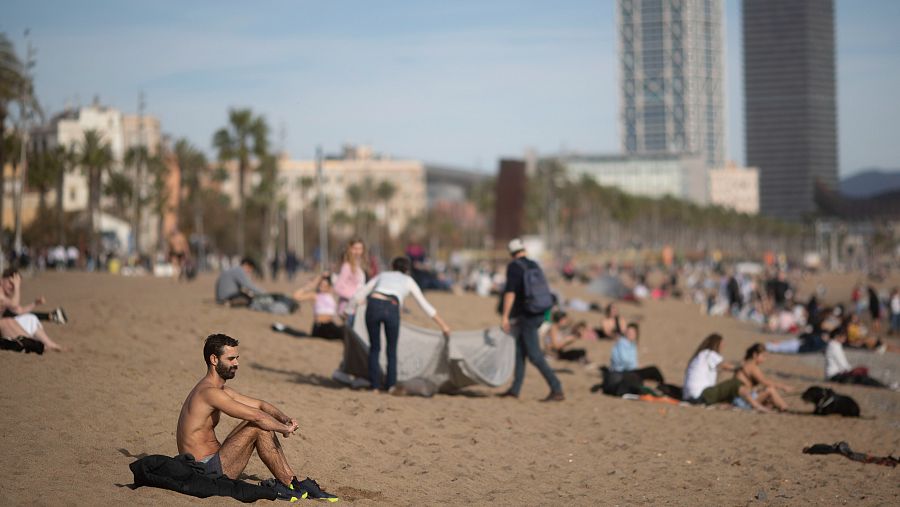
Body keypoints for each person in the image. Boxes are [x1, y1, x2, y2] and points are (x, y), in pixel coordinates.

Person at [176, 333, 338, 501]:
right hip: (204, 471)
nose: (236, 363)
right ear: (214, 360)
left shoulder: (219, 390)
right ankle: (289, 482)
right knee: (258, 425)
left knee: (260, 422)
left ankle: (291, 483)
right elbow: (257, 416)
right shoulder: (209, 393)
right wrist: (285, 430)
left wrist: (284, 419)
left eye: (237, 358)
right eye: (231, 359)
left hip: (214, 462)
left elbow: (260, 405)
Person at [347, 256, 451, 392]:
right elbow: (424, 305)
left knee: (374, 348)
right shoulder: (408, 280)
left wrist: (348, 310)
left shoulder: (382, 275)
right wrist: (443, 325)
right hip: (392, 306)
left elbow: (360, 294)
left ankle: (375, 386)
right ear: (407, 270)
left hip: (373, 304)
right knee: (391, 349)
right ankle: (390, 386)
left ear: (392, 266)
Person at [499, 238, 564, 401]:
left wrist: (505, 317)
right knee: (520, 350)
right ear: (523, 250)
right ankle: (515, 389)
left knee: (534, 355)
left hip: (528, 314)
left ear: (511, 253)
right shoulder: (534, 265)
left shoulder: (514, 267)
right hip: (540, 311)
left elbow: (510, 293)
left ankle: (556, 388)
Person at [0, 269, 67, 352]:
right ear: (2, 280)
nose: (12, 287)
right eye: (11, 283)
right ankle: (34, 344)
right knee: (6, 321)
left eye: (14, 284)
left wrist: (35, 303)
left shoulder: (5, 296)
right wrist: (17, 286)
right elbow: (14, 305)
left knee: (30, 318)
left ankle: (49, 344)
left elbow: (19, 311)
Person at [272, 274, 344, 340]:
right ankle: (282, 328)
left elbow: (337, 280)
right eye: (320, 285)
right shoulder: (315, 296)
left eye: (325, 285)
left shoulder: (332, 295)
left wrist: (326, 275)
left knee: (343, 330)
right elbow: (296, 296)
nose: (322, 287)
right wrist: (309, 286)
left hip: (330, 324)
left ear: (329, 286)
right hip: (320, 326)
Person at [733, 343, 791, 411]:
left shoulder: (746, 363)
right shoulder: (751, 366)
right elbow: (764, 381)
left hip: (741, 398)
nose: (765, 359)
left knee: (766, 393)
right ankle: (785, 407)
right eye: (763, 356)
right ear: (755, 355)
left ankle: (781, 406)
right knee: (770, 390)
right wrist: (783, 387)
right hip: (743, 401)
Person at [682, 334, 736, 402]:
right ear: (716, 344)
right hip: (699, 396)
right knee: (734, 384)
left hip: (687, 396)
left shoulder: (701, 355)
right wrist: (743, 366)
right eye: (721, 344)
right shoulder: (709, 354)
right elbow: (727, 366)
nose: (723, 347)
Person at [334, 238, 367, 324]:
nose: (357, 252)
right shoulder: (347, 266)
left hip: (357, 309)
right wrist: (355, 298)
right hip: (347, 310)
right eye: (355, 249)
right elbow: (337, 288)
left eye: (360, 249)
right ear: (350, 249)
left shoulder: (360, 266)